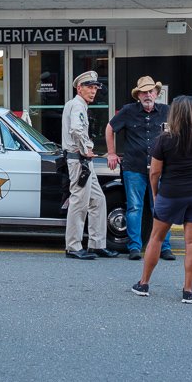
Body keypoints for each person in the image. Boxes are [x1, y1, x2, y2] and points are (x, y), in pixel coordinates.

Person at [131, 95, 192, 303]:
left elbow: (155, 173)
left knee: (156, 237)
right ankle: (188, 290)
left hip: (171, 192)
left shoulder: (164, 139)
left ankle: (144, 283)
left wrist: (156, 194)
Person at [106, 76, 176, 261]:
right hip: (134, 167)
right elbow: (110, 127)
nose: (147, 95)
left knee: (161, 208)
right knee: (135, 207)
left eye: (150, 91)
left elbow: (177, 134)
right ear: (138, 95)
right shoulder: (128, 111)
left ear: (156, 93)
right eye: (144, 92)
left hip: (160, 168)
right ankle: (134, 247)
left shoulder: (167, 111)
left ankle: (164, 247)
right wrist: (111, 153)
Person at [62, 70, 118, 260]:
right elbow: (76, 129)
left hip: (83, 161)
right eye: (89, 87)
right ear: (79, 88)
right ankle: (73, 246)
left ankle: (97, 244)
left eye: (95, 88)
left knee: (98, 200)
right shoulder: (77, 105)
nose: (93, 91)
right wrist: (86, 148)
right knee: (79, 202)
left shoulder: (80, 105)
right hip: (79, 160)